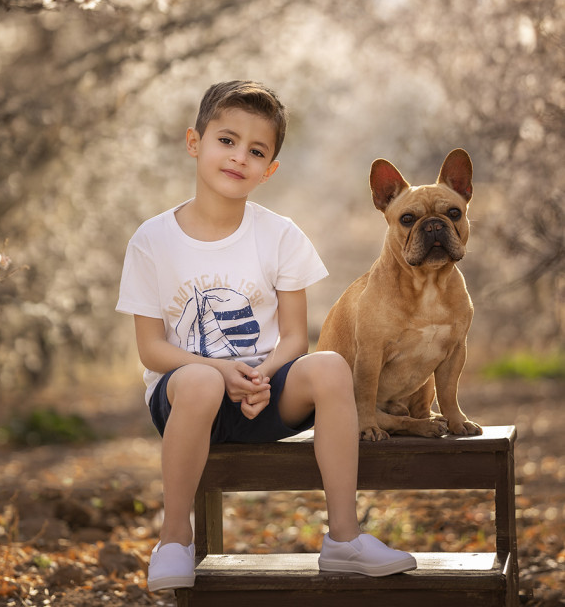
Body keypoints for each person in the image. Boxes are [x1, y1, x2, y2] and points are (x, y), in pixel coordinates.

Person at [116, 80, 416, 591]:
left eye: (256, 151)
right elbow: (152, 350)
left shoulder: (279, 235)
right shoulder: (153, 240)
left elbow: (296, 338)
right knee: (201, 383)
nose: (238, 158)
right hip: (187, 402)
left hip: (264, 393)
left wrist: (260, 375)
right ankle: (173, 539)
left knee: (328, 365)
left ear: (270, 169)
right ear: (195, 142)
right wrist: (222, 372)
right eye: (226, 141)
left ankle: (343, 538)